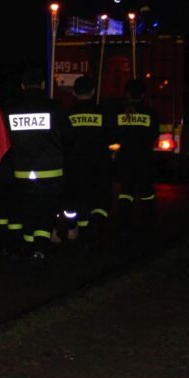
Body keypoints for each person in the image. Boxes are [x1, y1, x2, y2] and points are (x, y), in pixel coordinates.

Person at [4, 66, 73, 269]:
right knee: (45, 211)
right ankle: (40, 251)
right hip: (51, 172)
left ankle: (27, 249)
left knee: (28, 211)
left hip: (22, 172)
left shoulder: (11, 110)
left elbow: (4, 141)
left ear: (22, 86)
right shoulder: (54, 107)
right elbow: (69, 137)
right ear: (43, 84)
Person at [63, 75, 113, 252]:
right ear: (93, 91)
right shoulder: (104, 113)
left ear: (74, 93)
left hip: (73, 167)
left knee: (75, 201)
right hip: (99, 167)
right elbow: (112, 137)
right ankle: (94, 227)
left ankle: (76, 229)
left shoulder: (67, 115)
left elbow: (63, 140)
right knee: (100, 200)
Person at [114, 78, 159, 238]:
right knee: (147, 192)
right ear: (142, 95)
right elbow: (154, 134)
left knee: (126, 191)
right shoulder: (150, 113)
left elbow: (115, 135)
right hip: (144, 159)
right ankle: (148, 224)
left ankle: (123, 223)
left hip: (125, 159)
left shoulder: (120, 112)